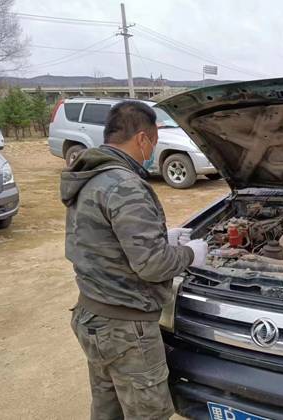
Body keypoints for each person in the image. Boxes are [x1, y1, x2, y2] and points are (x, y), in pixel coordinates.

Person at [60, 101, 207, 419]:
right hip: (126, 329)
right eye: (154, 142)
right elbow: (153, 265)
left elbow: (101, 240)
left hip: (93, 315)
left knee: (108, 408)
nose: (152, 150)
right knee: (147, 414)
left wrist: (161, 238)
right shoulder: (125, 186)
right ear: (142, 139)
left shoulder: (91, 176)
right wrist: (190, 254)